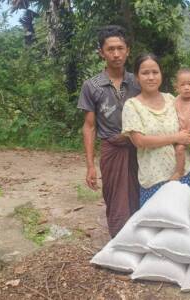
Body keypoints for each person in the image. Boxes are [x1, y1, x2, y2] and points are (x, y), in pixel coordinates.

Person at [77, 25, 140, 238]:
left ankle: (139, 242)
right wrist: (90, 165)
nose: (116, 54)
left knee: (140, 194)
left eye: (120, 48)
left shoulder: (138, 81)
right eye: (110, 49)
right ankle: (120, 244)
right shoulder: (92, 86)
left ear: (127, 50)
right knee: (115, 199)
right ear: (101, 52)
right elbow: (89, 126)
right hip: (111, 149)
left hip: (140, 149)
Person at [122, 53, 190, 207]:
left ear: (161, 74)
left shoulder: (171, 99)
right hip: (154, 178)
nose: (151, 77)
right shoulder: (132, 105)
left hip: (183, 172)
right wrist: (176, 137)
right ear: (137, 77)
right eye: (145, 73)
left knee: (184, 222)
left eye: (155, 72)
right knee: (155, 226)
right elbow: (139, 141)